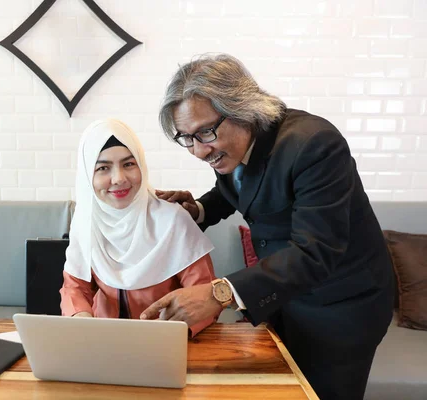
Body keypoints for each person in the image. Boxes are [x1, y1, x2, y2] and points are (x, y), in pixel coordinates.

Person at [140, 54, 394, 400]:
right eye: (186, 137)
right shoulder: (233, 141)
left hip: (342, 307)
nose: (199, 151)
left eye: (204, 133)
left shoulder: (314, 145)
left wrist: (220, 293)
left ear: (241, 107)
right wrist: (199, 209)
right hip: (285, 299)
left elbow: (314, 252)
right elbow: (238, 187)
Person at [60, 118, 219, 337]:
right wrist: (81, 320)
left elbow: (205, 294)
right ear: (88, 175)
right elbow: (75, 287)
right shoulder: (86, 221)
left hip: (168, 341)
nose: (119, 179)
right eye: (103, 168)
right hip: (103, 343)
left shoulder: (172, 220)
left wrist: (176, 332)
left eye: (128, 164)